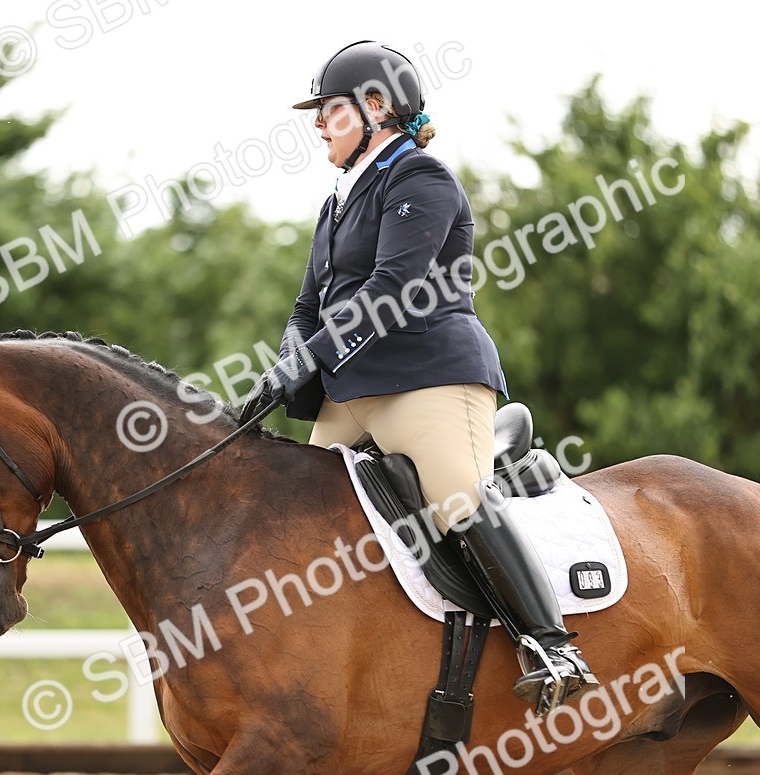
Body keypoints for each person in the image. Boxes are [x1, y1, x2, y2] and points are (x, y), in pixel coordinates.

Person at [240, 40, 597, 714]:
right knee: (294, 510)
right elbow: (307, 305)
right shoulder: (337, 200)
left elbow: (392, 287)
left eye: (330, 111)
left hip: (430, 377)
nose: (318, 126)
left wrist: (307, 359)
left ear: (376, 108)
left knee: (456, 499)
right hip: (352, 391)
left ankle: (552, 646)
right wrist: (284, 366)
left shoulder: (421, 179)